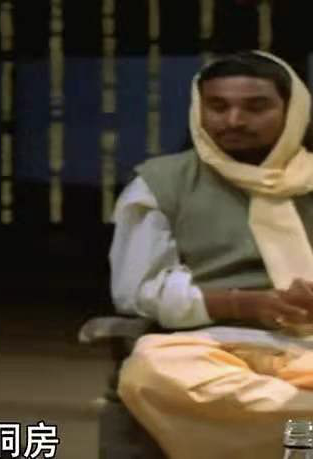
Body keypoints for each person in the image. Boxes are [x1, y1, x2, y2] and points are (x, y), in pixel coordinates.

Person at [110, 51, 313, 458]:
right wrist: (244, 304)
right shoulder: (162, 183)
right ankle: (300, 432)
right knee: (150, 372)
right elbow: (139, 290)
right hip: (210, 348)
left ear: (293, 112)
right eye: (217, 106)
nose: (234, 120)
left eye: (256, 107)